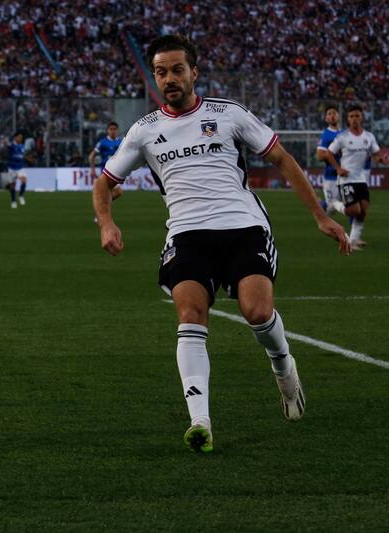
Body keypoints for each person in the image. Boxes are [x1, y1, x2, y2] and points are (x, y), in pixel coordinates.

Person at [93, 34, 350, 454]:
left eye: (177, 69)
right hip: (186, 234)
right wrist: (106, 223)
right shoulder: (144, 131)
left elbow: (282, 158)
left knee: (257, 311)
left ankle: (284, 365)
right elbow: (104, 183)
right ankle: (200, 422)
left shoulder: (228, 114)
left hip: (242, 226)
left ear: (194, 72)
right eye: (161, 72)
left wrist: (320, 215)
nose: (170, 78)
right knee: (191, 314)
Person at [320, 105, 388, 251]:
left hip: (361, 179)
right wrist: (338, 168)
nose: (354, 119)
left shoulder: (369, 137)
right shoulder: (342, 137)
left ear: (361, 117)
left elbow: (376, 153)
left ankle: (353, 241)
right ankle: (335, 205)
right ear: (348, 119)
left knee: (363, 210)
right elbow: (328, 154)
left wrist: (381, 159)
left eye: (357, 116)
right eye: (351, 116)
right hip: (346, 180)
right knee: (354, 211)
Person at [316, 106, 344, 216]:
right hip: (331, 175)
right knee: (331, 209)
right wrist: (334, 152)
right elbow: (320, 155)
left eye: (334, 113)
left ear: (339, 116)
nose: (332, 116)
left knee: (352, 203)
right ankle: (318, 202)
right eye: (329, 114)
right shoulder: (326, 134)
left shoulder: (345, 133)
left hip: (345, 175)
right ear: (326, 118)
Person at [89, 121, 123, 202]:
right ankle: (103, 206)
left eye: (114, 129)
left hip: (117, 172)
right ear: (107, 130)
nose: (112, 131)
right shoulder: (103, 142)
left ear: (117, 130)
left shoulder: (121, 142)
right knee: (118, 192)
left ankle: (102, 207)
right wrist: (92, 170)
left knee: (110, 194)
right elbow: (91, 156)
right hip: (106, 172)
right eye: (111, 129)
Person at [6, 132, 28, 208]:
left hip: (20, 167)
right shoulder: (12, 145)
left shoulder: (23, 146)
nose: (20, 138)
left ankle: (21, 195)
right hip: (12, 168)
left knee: (24, 180)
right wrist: (5, 143)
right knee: (12, 186)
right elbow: (8, 145)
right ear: (15, 138)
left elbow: (22, 155)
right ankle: (13, 201)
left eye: (21, 137)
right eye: (19, 137)